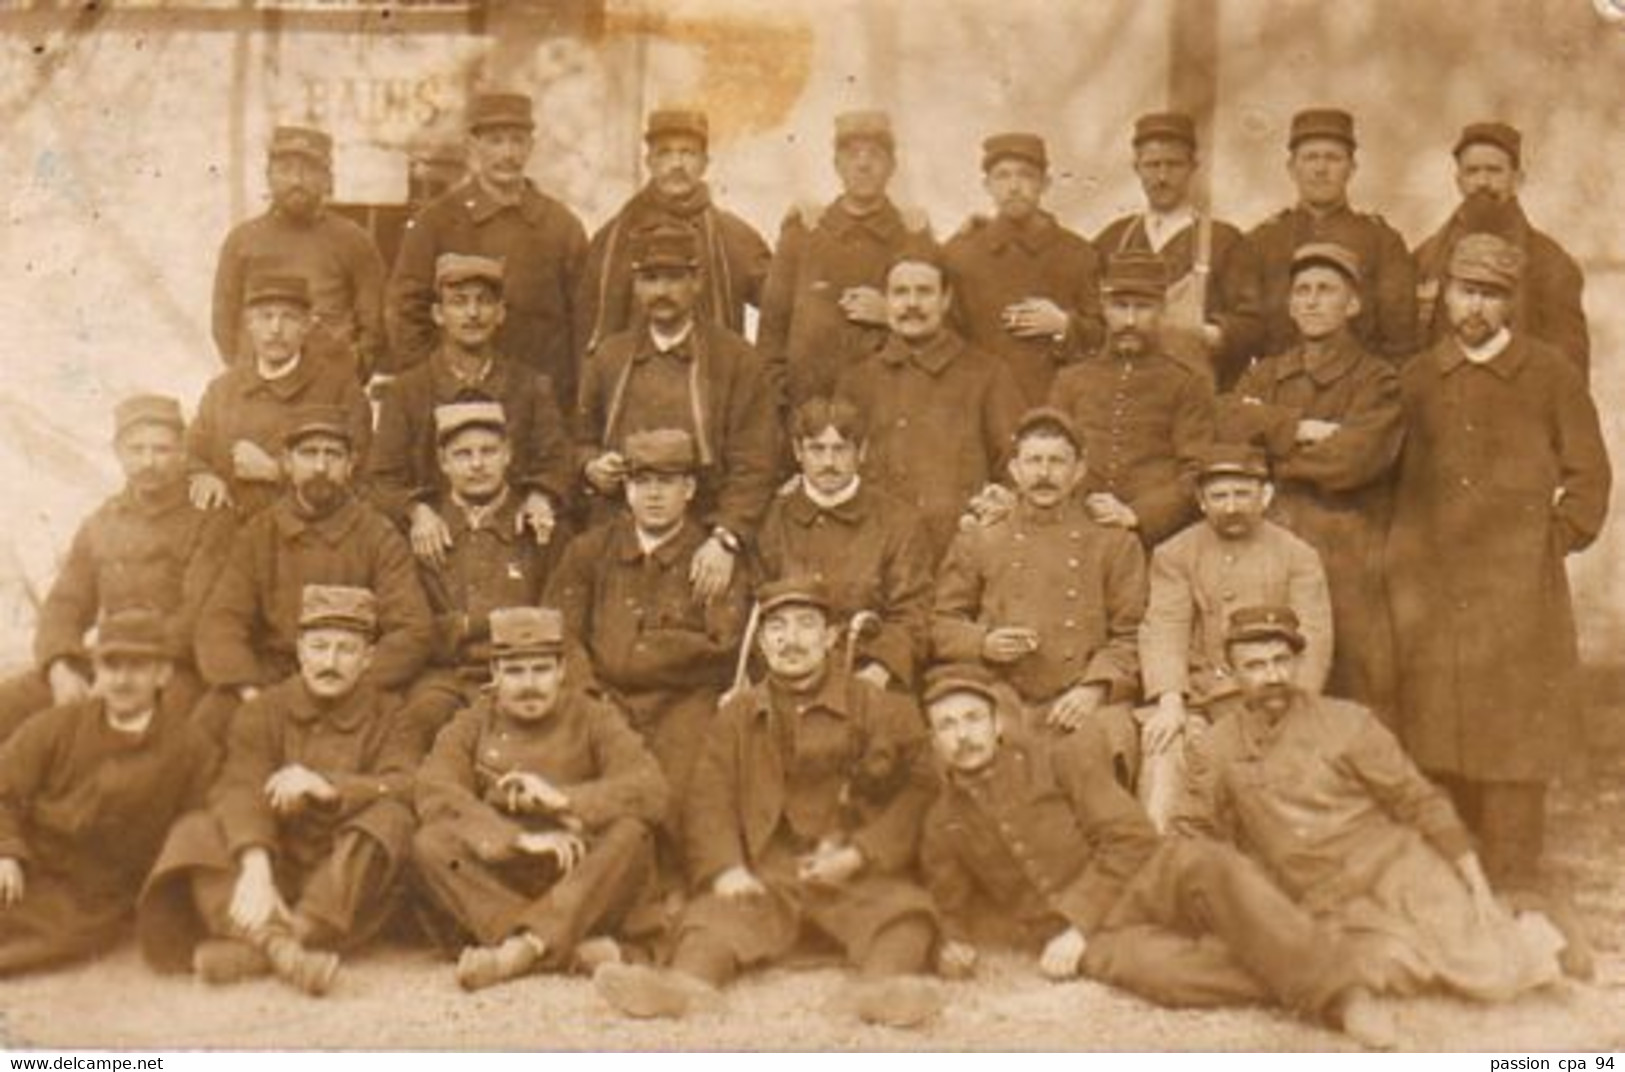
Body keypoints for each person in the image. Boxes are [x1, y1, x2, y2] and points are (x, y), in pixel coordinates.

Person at [917, 663, 1397, 1049]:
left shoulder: (1057, 759)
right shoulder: (941, 822)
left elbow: (1133, 838)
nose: (963, 735)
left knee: (1211, 863)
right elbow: (952, 907)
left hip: (1142, 882)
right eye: (947, 725)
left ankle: (1343, 996)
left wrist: (1077, 923)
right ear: (934, 740)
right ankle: (1326, 961)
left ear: (998, 723)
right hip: (1097, 939)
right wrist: (951, 948)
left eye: (973, 718)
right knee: (1167, 978)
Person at [1171, 605, 1575, 1012]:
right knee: (1353, 966)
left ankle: (1521, 926)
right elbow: (1192, 831)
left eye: (1281, 661)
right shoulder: (1216, 748)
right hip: (1318, 896)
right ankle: (1458, 941)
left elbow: (1418, 799)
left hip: (1397, 867)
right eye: (1255, 666)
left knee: (1491, 975)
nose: (1272, 676)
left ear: (1296, 662)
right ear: (1233, 673)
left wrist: (1476, 884)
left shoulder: (1349, 723)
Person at [594, 578, 943, 1029]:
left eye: (805, 626)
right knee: (707, 920)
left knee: (906, 913)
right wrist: (725, 868)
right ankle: (688, 986)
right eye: (776, 628)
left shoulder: (879, 706)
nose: (790, 640)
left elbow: (919, 790)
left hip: (854, 869)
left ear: (831, 637)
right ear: (760, 642)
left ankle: (878, 990)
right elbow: (708, 797)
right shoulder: (737, 713)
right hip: (768, 870)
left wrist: (861, 853)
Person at [1386, 233, 1610, 893]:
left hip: (1516, 593)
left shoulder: (1547, 374)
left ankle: (1513, 882)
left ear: (1510, 302)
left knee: (1513, 731)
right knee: (1435, 724)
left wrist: (1549, 541)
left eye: (1489, 295)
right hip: (1431, 586)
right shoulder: (1419, 379)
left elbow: (1589, 475)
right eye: (1464, 291)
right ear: (1446, 294)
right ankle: (1451, 880)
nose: (1474, 308)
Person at [138, 586, 418, 996]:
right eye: (319, 647)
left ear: (367, 658)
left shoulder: (392, 714)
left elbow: (407, 782)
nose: (330, 662)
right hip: (273, 871)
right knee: (196, 829)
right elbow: (240, 785)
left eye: (346, 650)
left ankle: (276, 943)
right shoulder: (263, 710)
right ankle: (286, 951)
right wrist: (255, 865)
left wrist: (331, 787)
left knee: (391, 819)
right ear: (301, 650)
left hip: (339, 887)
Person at [413, 606, 668, 991]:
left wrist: (564, 800)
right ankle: (560, 945)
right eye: (515, 672)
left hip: (580, 873)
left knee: (632, 834)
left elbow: (651, 789)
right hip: (507, 873)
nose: (529, 684)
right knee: (429, 843)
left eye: (541, 669)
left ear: (562, 670)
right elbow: (434, 787)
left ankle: (520, 951)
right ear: (495, 674)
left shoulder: (594, 716)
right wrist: (512, 839)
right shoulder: (474, 721)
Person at [1217, 243, 1402, 715]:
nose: (1312, 301)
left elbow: (1353, 460)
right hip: (1271, 539)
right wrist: (1297, 430)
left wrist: (1271, 453)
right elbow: (1225, 430)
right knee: (1264, 672)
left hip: (1345, 548)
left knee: (1346, 684)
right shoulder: (1268, 373)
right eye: (1302, 291)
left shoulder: (1377, 379)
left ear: (1353, 304)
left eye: (1326, 290)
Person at [545, 429, 749, 852]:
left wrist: (634, 653)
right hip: (605, 696)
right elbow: (560, 631)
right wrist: (588, 691)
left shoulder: (712, 558)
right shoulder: (591, 550)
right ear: (626, 488)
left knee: (682, 789)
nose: (653, 495)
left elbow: (723, 645)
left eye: (667, 482)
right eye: (641, 482)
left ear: (689, 489)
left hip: (684, 702)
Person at [192, 405, 432, 743]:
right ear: (287, 463)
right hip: (271, 679)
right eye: (309, 454)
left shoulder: (378, 535)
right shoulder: (259, 533)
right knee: (209, 722)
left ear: (350, 465)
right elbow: (222, 619)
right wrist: (249, 690)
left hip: (352, 680)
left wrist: (349, 683)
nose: (321, 466)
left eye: (333, 455)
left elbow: (412, 629)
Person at [0, 395, 233, 741]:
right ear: (118, 453)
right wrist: (60, 665)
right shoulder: (103, 521)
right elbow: (65, 603)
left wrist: (123, 674)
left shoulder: (210, 519)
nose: (148, 462)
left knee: (139, 741)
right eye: (136, 450)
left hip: (174, 668)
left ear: (183, 451)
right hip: (103, 661)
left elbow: (197, 617)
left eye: (161, 450)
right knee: (10, 704)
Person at [0, 609, 216, 975]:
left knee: (73, 935)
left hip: (94, 898)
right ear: (96, 671)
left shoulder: (191, 749)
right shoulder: (54, 727)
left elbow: (196, 827)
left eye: (137, 666)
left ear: (163, 674)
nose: (122, 680)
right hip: (27, 865)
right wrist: (7, 851)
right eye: (111, 666)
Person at [932, 408, 1144, 770]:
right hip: (999, 695)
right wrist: (983, 643)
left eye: (1057, 462)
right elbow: (941, 623)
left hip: (1082, 697)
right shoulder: (982, 538)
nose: (1044, 474)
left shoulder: (1113, 543)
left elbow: (1132, 635)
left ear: (1079, 471)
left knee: (1106, 745)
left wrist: (1095, 688)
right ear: (1014, 470)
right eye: (1033, 461)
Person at [576, 223, 779, 599]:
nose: (662, 291)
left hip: (706, 534)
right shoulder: (608, 358)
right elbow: (580, 439)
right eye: (651, 279)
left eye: (674, 278)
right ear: (636, 286)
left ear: (697, 282)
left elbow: (756, 463)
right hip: (620, 529)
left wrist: (727, 537)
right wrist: (591, 467)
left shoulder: (735, 360)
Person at [1137, 443, 1332, 797]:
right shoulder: (1174, 554)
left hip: (1270, 699)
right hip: (1200, 700)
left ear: (1266, 495)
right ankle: (1164, 852)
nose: (1230, 507)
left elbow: (1314, 641)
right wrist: (1170, 702)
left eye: (1242, 494)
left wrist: (1295, 711)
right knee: (1162, 753)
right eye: (1219, 496)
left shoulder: (1298, 556)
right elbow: (1166, 627)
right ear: (1201, 501)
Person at [386, 92, 588, 398]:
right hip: (457, 398)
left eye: (517, 141)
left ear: (531, 147)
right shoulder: (437, 222)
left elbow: (583, 320)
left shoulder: (561, 226)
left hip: (542, 399)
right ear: (473, 146)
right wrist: (429, 389)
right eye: (495, 141)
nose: (507, 154)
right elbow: (406, 312)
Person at [369, 253, 572, 554]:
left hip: (511, 538)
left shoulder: (530, 387)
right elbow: (382, 479)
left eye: (484, 301)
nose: (473, 313)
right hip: (431, 541)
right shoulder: (407, 391)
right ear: (438, 313)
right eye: (459, 302)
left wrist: (540, 496)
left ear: (501, 312)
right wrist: (417, 511)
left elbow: (557, 463)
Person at [835, 250, 1025, 561]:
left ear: (946, 299)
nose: (911, 304)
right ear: (885, 301)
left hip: (958, 553)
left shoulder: (987, 375)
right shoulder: (857, 380)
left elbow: (1016, 467)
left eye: (924, 292)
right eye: (900, 293)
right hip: (876, 554)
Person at [398, 402, 564, 752]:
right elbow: (414, 624)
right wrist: (474, 628)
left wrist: (470, 628)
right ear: (443, 462)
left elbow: (558, 614)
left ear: (508, 454)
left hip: (522, 672)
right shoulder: (420, 531)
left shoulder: (541, 526)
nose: (477, 464)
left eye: (488, 451)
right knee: (420, 720)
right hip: (446, 678)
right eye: (463, 454)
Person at [755, 395, 933, 690]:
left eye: (840, 450)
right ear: (798, 451)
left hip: (870, 678)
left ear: (861, 452)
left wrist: (881, 668)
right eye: (817, 449)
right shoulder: (771, 521)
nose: (829, 462)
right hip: (788, 676)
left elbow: (913, 613)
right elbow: (755, 613)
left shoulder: (899, 522)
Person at [758, 111, 932, 411]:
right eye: (852, 155)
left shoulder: (913, 236)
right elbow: (772, 333)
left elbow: (940, 329)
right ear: (837, 165)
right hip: (810, 418)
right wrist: (783, 407)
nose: (863, 164)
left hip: (889, 412)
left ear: (892, 166)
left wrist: (891, 313)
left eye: (875, 155)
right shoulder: (804, 233)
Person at [1047, 251, 1214, 547]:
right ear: (1103, 308)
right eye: (1120, 307)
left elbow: (1197, 471)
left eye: (1143, 307)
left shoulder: (1187, 383)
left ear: (1162, 309)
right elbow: (1050, 456)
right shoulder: (1071, 380)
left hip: (1154, 539)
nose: (1130, 320)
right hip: (1076, 533)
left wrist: (1138, 515)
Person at [575, 108, 771, 361]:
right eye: (665, 152)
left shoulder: (733, 236)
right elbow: (585, 327)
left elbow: (780, 306)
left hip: (712, 385)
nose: (676, 164)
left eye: (687, 152)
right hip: (633, 388)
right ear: (650, 162)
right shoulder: (612, 239)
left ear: (704, 163)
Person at [1093, 112, 1262, 390]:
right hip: (1122, 388)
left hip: (1194, 390)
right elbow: (1091, 318)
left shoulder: (1225, 241)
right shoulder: (1113, 240)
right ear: (1136, 168)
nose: (1162, 177)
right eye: (1152, 165)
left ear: (1193, 167)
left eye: (1174, 165)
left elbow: (1252, 325)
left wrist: (1208, 334)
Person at [189, 275, 373, 518]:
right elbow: (190, 452)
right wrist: (202, 475)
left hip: (308, 537)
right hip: (232, 535)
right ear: (249, 324)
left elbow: (363, 477)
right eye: (266, 317)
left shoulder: (340, 390)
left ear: (307, 326)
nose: (276, 329)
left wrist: (276, 471)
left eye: (289, 317)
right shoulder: (222, 391)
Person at [211, 125, 385, 380]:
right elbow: (223, 324)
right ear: (268, 176)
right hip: (258, 386)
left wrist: (349, 379)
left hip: (328, 387)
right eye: (286, 170)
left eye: (309, 170)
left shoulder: (353, 241)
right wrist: (247, 375)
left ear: (327, 179)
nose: (296, 181)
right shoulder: (242, 240)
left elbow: (374, 325)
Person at [1413, 122, 1589, 374]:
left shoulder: (1550, 262)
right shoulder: (1427, 257)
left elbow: (1569, 367)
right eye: (1472, 171)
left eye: (1494, 171)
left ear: (1517, 179)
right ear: (1458, 180)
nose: (1482, 182)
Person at [1247, 108, 1417, 363]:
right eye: (1310, 158)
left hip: (1359, 390)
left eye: (1333, 158)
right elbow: (1249, 330)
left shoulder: (1382, 241)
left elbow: (1400, 339)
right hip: (1277, 389)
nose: (1321, 169)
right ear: (1292, 168)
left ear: (1351, 168)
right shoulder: (1262, 240)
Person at [943, 132, 1102, 404]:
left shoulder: (1078, 254)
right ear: (987, 185)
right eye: (1002, 176)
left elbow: (1105, 336)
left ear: (1045, 183)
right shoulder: (961, 254)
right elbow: (944, 335)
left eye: (1026, 175)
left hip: (1055, 405)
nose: (1014, 187)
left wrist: (1066, 325)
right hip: (979, 403)